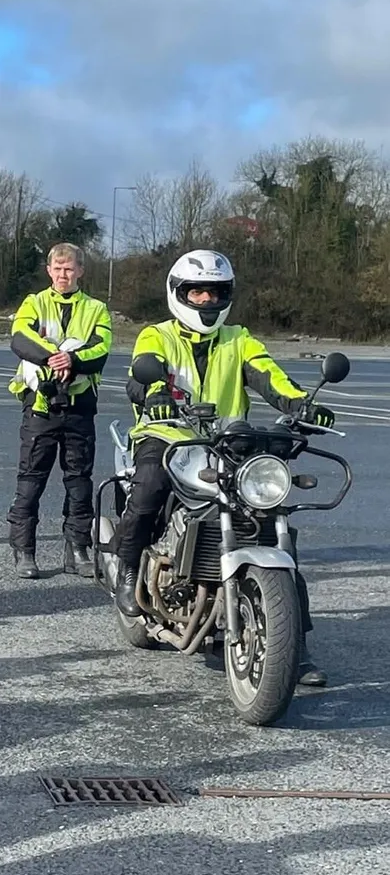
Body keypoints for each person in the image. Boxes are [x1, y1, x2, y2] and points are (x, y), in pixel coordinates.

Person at [114, 249, 333, 686]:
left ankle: (294, 646)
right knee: (150, 486)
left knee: (272, 521)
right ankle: (128, 568)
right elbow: (143, 374)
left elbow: (268, 374)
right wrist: (154, 393)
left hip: (230, 443)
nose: (205, 301)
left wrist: (301, 403)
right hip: (170, 434)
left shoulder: (239, 338)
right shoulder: (156, 336)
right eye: (196, 291)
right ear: (179, 293)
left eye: (214, 293)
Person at [6, 242, 112, 579]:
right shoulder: (34, 303)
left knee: (79, 482)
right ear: (49, 270)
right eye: (57, 268)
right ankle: (24, 552)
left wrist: (74, 359)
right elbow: (20, 337)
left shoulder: (97, 308)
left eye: (69, 269)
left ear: (80, 271)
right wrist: (55, 356)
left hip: (80, 408)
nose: (63, 274)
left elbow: (102, 348)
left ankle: (78, 550)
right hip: (40, 407)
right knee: (30, 482)